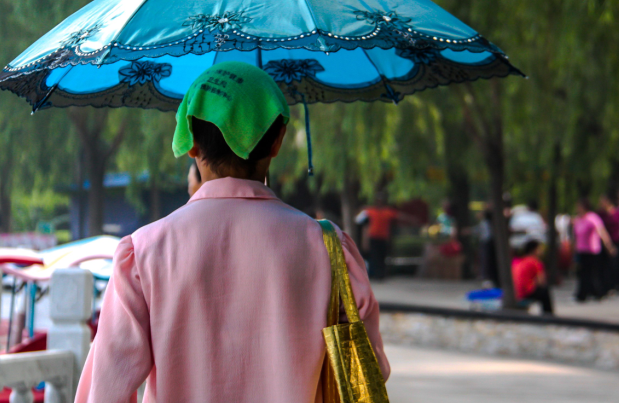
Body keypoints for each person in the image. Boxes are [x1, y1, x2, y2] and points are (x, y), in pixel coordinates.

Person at [75, 62, 390, 403]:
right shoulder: (328, 247)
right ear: (277, 141)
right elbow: (368, 371)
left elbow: (105, 390)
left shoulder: (144, 252)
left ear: (191, 142)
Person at [573, 198, 617, 302]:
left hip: (592, 250)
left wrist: (609, 246)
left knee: (592, 273)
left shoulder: (592, 218)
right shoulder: (578, 219)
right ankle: (584, 294)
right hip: (581, 250)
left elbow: (602, 232)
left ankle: (597, 292)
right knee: (582, 273)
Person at [355, 191, 397, 280]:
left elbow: (398, 217)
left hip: (383, 237)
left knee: (382, 256)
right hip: (373, 237)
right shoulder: (370, 211)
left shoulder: (387, 212)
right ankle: (375, 274)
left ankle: (381, 274)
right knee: (374, 256)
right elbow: (358, 220)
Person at [512, 239, 554, 314]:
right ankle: (549, 314)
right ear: (534, 250)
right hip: (525, 293)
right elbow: (542, 281)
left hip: (515, 293)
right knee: (544, 291)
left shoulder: (518, 261)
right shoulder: (534, 261)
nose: (542, 251)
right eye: (540, 249)